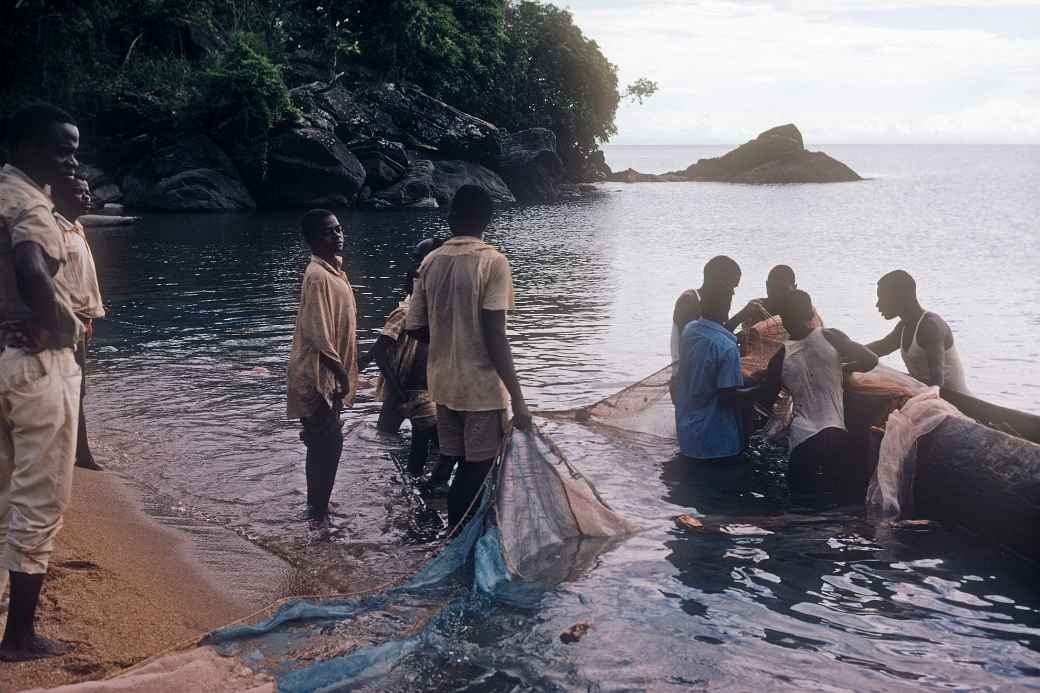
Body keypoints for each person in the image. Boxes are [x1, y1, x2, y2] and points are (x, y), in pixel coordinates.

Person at [0, 102, 84, 661]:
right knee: (39, 500)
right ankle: (20, 638)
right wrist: (55, 329)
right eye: (61, 148)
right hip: (34, 369)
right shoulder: (29, 205)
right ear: (28, 148)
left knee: (5, 488)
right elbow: (31, 269)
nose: (73, 157)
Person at [406, 185, 532, 528]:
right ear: (488, 221)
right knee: (477, 469)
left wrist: (450, 336)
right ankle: (458, 538)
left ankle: (456, 534)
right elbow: (495, 333)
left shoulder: (430, 262)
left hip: (443, 387)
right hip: (480, 390)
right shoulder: (493, 262)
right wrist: (519, 400)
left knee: (460, 461)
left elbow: (414, 326)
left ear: (450, 218)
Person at [756, 290, 878, 494]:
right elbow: (870, 360)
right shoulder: (831, 336)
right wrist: (842, 368)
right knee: (838, 500)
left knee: (799, 503)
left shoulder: (779, 357)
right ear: (810, 313)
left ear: (782, 319)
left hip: (802, 440)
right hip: (834, 432)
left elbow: (765, 400)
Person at [286, 209, 358, 519]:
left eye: (339, 229)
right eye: (330, 231)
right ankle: (317, 511)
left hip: (328, 374)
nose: (338, 235)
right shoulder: (316, 275)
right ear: (314, 239)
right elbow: (318, 332)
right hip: (317, 375)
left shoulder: (335, 272)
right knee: (326, 442)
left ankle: (318, 507)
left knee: (325, 442)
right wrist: (342, 374)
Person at [361, 238, 442, 477]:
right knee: (384, 438)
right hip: (404, 386)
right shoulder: (406, 312)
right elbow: (379, 350)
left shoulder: (433, 306)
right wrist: (396, 390)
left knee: (429, 441)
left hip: (422, 388)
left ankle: (411, 478)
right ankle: (398, 478)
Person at [53, 175, 105, 471]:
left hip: (81, 320)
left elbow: (81, 280)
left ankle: (72, 449)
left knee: (73, 388)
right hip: (65, 322)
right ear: (59, 196)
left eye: (87, 192)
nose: (86, 197)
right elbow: (51, 282)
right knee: (75, 388)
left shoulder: (77, 227)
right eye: (79, 192)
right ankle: (80, 453)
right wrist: (73, 319)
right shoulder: (54, 231)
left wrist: (90, 316)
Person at [674, 283, 754, 464]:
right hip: (718, 443)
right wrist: (761, 389)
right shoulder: (726, 348)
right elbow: (728, 397)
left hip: (688, 435)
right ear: (726, 306)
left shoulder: (690, 331)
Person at [865, 270, 968, 392]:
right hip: (923, 391)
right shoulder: (904, 327)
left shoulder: (931, 327)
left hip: (953, 399)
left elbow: (937, 381)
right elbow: (880, 348)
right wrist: (843, 352)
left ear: (901, 298)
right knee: (874, 370)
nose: (878, 305)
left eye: (882, 298)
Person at [670, 255, 742, 364]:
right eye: (730, 286)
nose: (733, 292)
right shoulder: (688, 300)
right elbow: (699, 342)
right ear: (717, 282)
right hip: (687, 371)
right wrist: (740, 317)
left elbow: (719, 334)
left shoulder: (718, 303)